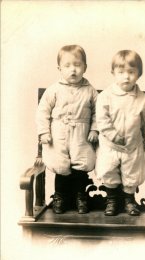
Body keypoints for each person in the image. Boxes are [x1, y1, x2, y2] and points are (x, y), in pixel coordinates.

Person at [36, 45, 98, 214]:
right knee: (60, 165)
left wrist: (94, 129)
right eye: (67, 66)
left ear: (85, 67)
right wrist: (44, 132)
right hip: (58, 134)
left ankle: (80, 196)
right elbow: (43, 112)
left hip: (81, 134)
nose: (73, 70)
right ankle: (60, 196)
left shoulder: (90, 90)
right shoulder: (53, 90)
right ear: (59, 69)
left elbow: (98, 112)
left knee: (80, 165)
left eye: (77, 65)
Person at [95, 50, 145, 216]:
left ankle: (129, 200)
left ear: (139, 74)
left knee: (132, 172)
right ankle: (112, 199)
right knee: (108, 170)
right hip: (110, 145)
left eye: (131, 72)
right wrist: (113, 135)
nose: (126, 77)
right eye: (121, 72)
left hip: (132, 144)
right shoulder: (105, 97)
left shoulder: (143, 99)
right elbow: (102, 120)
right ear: (113, 73)